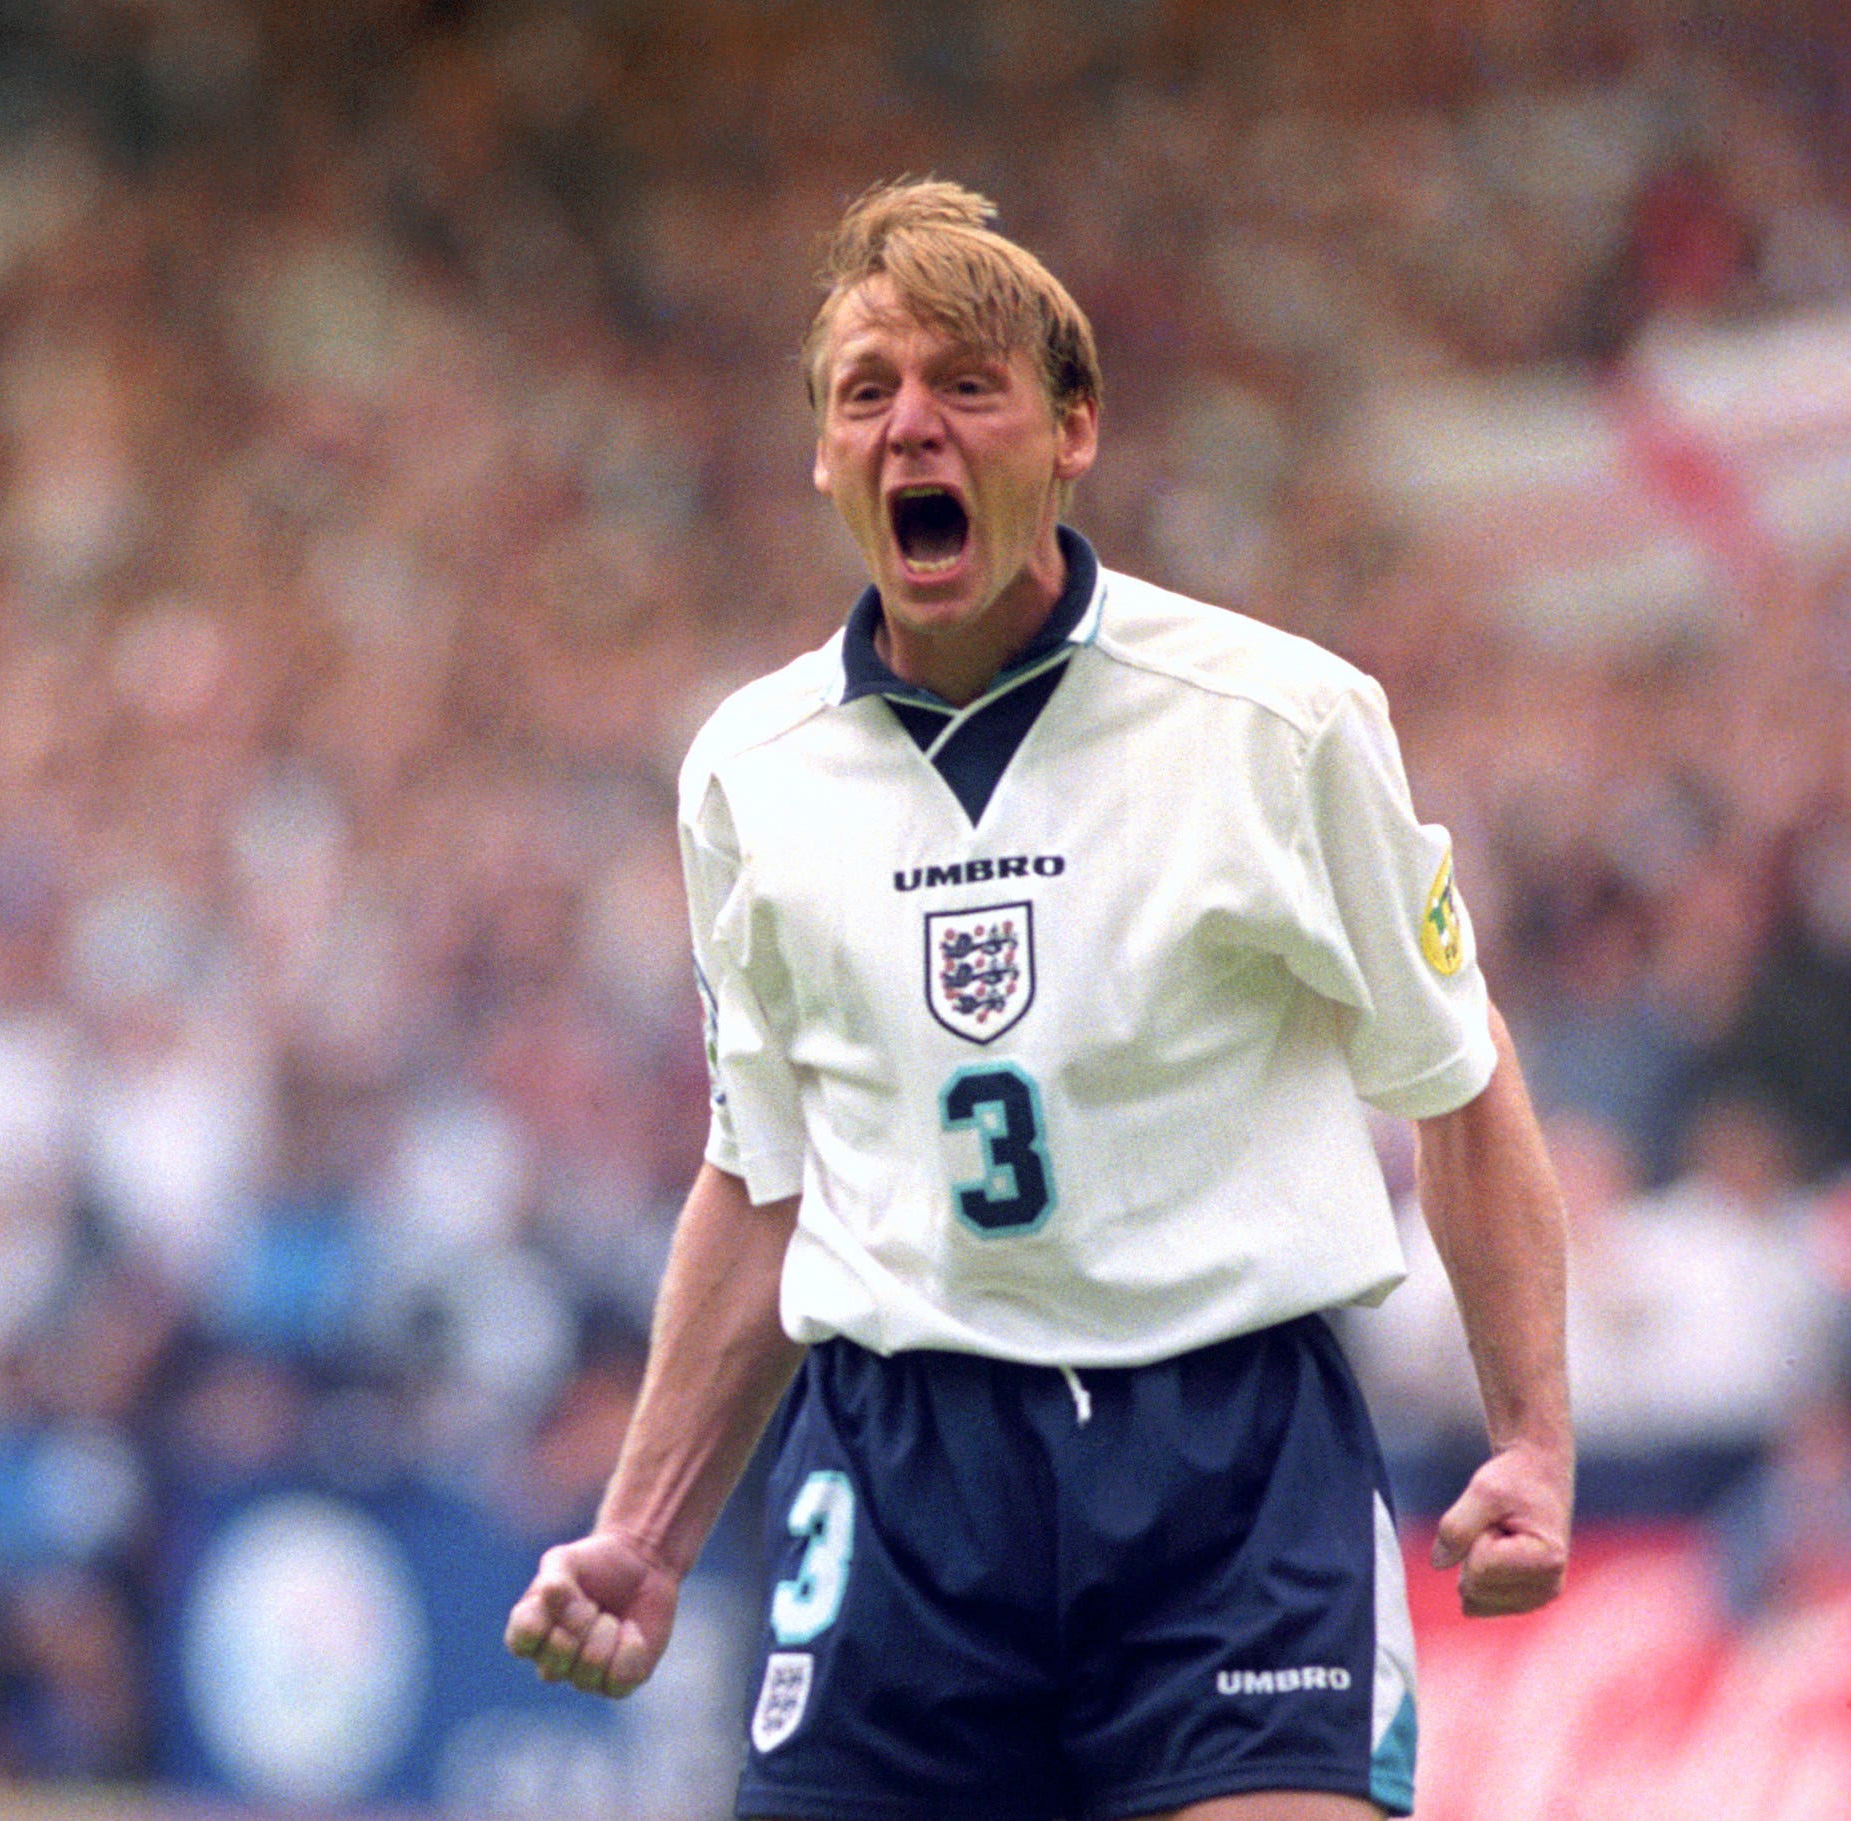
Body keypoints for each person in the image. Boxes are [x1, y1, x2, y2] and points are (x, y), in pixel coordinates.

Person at [505, 179, 1572, 1821]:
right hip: (903, 1469)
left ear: (1074, 430)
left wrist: (1531, 1433)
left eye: (966, 385)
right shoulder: (748, 772)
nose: (911, 426)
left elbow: (1456, 1072)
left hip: (1226, 1455)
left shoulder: (1277, 720)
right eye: (867, 393)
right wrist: (645, 1532)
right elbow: (760, 1175)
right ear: (821, 456)